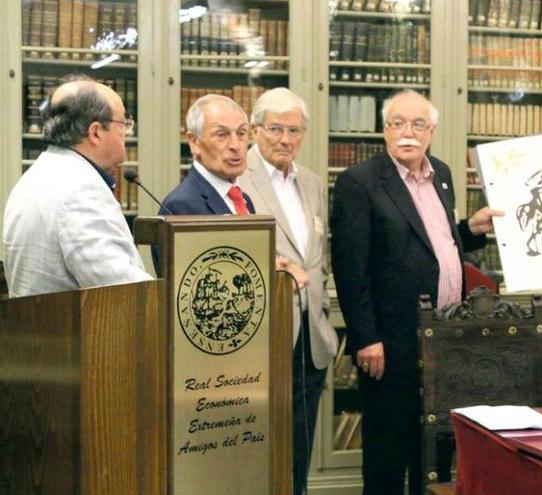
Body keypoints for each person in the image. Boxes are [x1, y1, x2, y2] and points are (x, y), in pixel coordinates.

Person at [330, 90, 501, 495]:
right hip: (391, 343)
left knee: (438, 455)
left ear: (432, 130)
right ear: (384, 130)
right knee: (389, 458)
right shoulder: (361, 183)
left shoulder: (441, 173)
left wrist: (470, 232)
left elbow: (431, 245)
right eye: (398, 124)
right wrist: (365, 337)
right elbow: (350, 269)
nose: (408, 133)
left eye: (418, 124)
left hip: (445, 340)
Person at [237, 88, 338, 495]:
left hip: (310, 339)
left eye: (294, 130)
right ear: (255, 130)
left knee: (298, 451)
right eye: (275, 128)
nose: (285, 139)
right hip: (261, 339)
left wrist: (323, 304)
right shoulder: (236, 177)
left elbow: (319, 256)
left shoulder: (311, 182)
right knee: (256, 454)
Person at [3, 77, 151, 298]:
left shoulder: (39, 173)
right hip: (75, 330)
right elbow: (125, 289)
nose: (126, 133)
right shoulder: (80, 190)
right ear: (96, 132)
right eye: (124, 124)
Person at [162, 94, 254, 215]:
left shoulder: (244, 200)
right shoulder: (180, 206)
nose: (235, 145)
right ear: (194, 142)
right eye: (221, 135)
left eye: (241, 133)